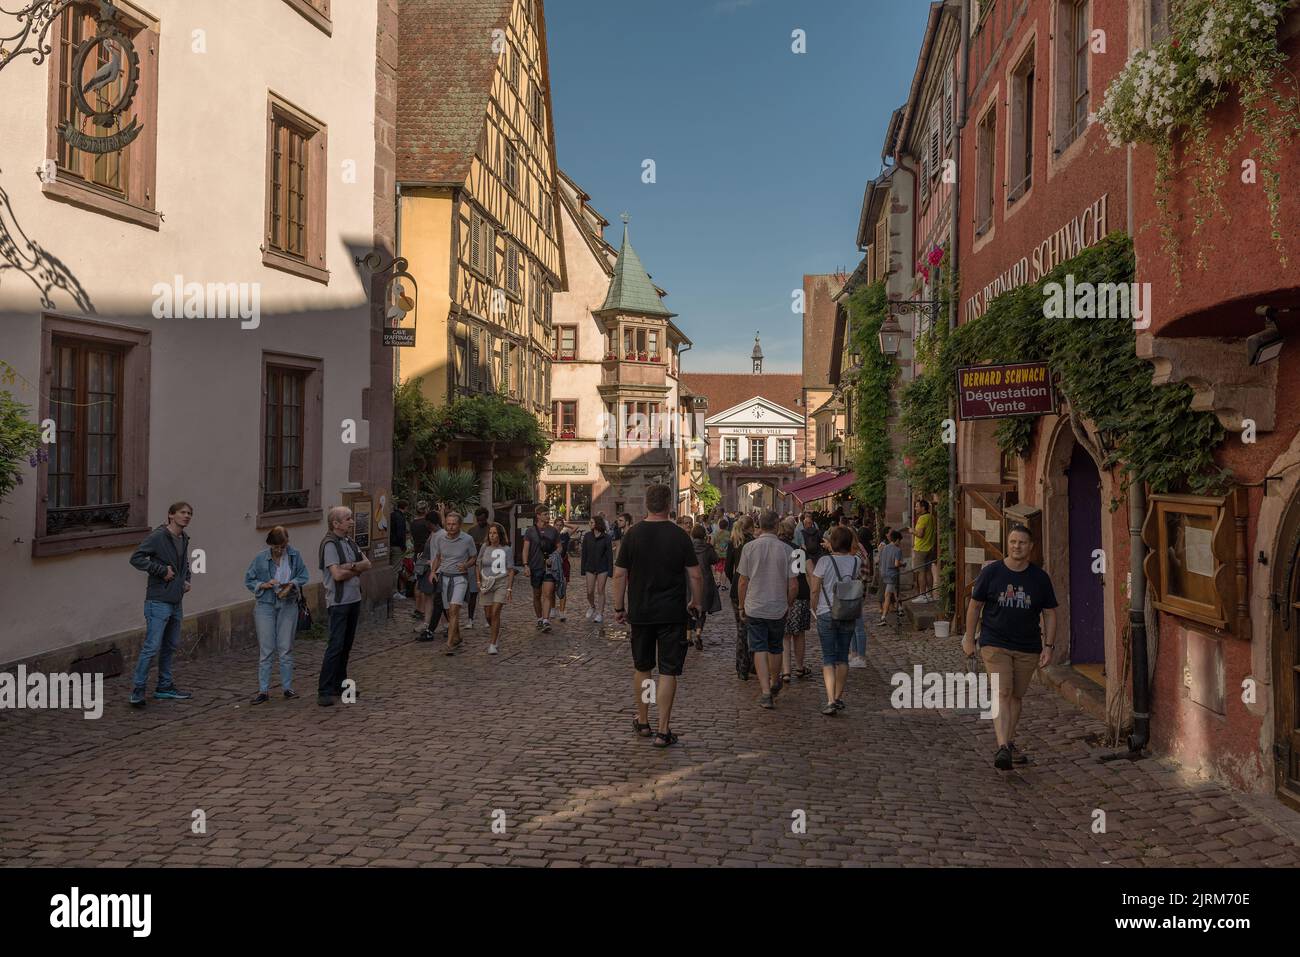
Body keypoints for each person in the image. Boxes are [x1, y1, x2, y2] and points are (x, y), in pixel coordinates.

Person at [613, 483, 703, 748]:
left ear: (646, 505)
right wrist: (696, 601)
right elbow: (695, 574)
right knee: (667, 670)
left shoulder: (632, 535)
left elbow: (619, 574)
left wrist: (619, 607)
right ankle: (663, 730)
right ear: (669, 505)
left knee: (643, 668)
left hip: (641, 612)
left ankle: (643, 720)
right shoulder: (679, 536)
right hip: (672, 612)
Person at [962, 525, 1058, 771]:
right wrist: (968, 637)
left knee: (1016, 696)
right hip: (995, 643)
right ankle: (1002, 746)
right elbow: (975, 606)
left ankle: (1010, 741)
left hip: (1028, 646)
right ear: (1008, 543)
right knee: (1002, 693)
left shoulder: (1039, 578)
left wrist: (1048, 645)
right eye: (1013, 541)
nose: (1017, 546)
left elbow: (1049, 613)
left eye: (1022, 543)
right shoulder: (992, 573)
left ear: (1031, 547)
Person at [127, 501, 196, 707]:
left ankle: (164, 687)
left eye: (190, 514)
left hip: (176, 601)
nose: (187, 516)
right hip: (158, 601)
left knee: (170, 645)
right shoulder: (158, 536)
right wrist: (161, 570)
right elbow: (136, 558)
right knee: (151, 647)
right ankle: (137, 690)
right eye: (183, 513)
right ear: (171, 515)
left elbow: (184, 564)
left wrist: (186, 579)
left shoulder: (183, 538)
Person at [737, 510, 798, 709]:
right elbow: (794, 585)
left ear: (759, 526)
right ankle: (774, 679)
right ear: (777, 526)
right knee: (775, 646)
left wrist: (741, 604)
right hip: (777, 606)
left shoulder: (749, 548)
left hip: (755, 606)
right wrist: (788, 604)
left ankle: (765, 691)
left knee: (759, 648)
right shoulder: (789, 550)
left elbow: (743, 582)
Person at [243, 525, 309, 704]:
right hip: (266, 604)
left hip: (288, 604)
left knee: (285, 647)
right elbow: (249, 579)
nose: (280, 550)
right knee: (266, 649)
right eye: (276, 547)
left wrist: (292, 583)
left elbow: (304, 575)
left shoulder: (294, 556)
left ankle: (287, 688)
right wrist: (263, 585)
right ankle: (263, 690)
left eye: (283, 546)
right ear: (270, 544)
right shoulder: (261, 558)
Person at [318, 506, 371, 707]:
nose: (352, 521)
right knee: (335, 645)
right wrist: (355, 569)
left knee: (346, 646)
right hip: (339, 602)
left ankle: (340, 685)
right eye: (348, 519)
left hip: (353, 599)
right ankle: (324, 689)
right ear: (336, 523)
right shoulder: (330, 544)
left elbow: (367, 563)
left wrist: (351, 567)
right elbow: (337, 575)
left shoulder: (349, 541)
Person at [808, 526, 862, 715]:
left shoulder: (824, 561)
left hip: (826, 612)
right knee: (842, 657)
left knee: (828, 658)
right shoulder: (855, 561)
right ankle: (838, 696)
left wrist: (813, 608)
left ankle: (830, 700)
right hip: (848, 612)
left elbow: (815, 588)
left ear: (833, 542)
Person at [427, 511, 477, 656]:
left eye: (454, 524)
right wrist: (433, 572)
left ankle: (449, 643)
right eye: (448, 524)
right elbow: (438, 557)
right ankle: (457, 637)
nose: (451, 527)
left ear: (460, 525)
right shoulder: (441, 539)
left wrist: (466, 565)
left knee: (454, 609)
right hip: (445, 578)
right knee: (449, 611)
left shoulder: (467, 539)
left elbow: (474, 557)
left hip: (460, 578)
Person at [779, 518, 811, 683]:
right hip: (801, 592)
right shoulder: (798, 550)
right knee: (799, 634)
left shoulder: (779, 550)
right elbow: (801, 574)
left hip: (785, 593)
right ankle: (799, 666)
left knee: (785, 635)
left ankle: (786, 671)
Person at [476, 523, 515, 655]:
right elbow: (478, 564)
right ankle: (495, 631)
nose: (492, 536)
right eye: (490, 533)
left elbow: (510, 570)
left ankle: (492, 643)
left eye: (495, 533)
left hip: (501, 583)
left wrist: (509, 588)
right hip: (486, 583)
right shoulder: (484, 547)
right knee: (488, 614)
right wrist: (478, 580)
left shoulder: (506, 549)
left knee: (495, 611)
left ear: (500, 535)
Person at [726, 514, 756, 679]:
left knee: (741, 629)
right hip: (752, 587)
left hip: (737, 589)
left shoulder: (733, 543)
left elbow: (727, 568)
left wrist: (734, 581)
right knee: (754, 629)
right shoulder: (753, 543)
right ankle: (753, 664)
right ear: (751, 527)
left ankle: (742, 667)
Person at [522, 506, 560, 632]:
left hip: (549, 567)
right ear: (538, 516)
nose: (547, 516)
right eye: (545, 514)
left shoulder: (553, 531)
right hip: (535, 566)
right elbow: (525, 549)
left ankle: (546, 620)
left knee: (548, 593)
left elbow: (559, 547)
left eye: (548, 514)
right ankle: (539, 618)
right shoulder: (530, 531)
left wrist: (553, 556)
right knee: (537, 595)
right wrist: (526, 565)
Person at [689, 524, 721, 650]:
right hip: (705, 581)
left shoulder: (688, 547)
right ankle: (698, 633)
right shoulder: (707, 548)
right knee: (701, 610)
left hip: (689, 580)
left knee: (689, 609)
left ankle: (687, 637)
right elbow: (715, 560)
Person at [581, 516, 614, 623]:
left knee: (601, 590)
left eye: (591, 522)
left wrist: (610, 570)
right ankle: (592, 606)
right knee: (589, 591)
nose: (589, 524)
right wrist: (583, 568)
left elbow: (609, 555)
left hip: (602, 567)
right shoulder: (587, 536)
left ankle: (600, 613)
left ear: (597, 523)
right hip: (590, 567)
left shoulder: (606, 537)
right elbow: (584, 553)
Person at [409, 503, 435, 622]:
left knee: (418, 580)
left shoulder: (413, 523)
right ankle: (423, 609)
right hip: (425, 554)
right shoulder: (426, 524)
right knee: (424, 583)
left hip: (417, 553)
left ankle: (418, 608)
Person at [911, 500, 936, 603]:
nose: (915, 508)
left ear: (923, 508)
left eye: (917, 506)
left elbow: (920, 534)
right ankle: (929, 594)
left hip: (921, 548)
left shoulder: (922, 518)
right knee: (928, 571)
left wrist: (912, 531)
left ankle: (922, 595)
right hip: (929, 548)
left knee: (921, 572)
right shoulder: (931, 517)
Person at [878, 530, 904, 625]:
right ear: (897, 540)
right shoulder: (897, 550)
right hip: (892, 574)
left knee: (895, 591)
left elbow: (880, 560)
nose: (900, 543)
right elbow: (896, 563)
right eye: (899, 541)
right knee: (889, 595)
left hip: (883, 573)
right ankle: (884, 617)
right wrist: (903, 564)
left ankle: (900, 609)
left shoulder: (884, 548)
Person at [389, 499, 409, 602]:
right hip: (397, 545)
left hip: (391, 544)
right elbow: (400, 532)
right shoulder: (400, 517)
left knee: (393, 567)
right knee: (396, 569)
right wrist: (402, 545)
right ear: (405, 507)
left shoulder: (392, 515)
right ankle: (394, 591)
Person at [555, 520, 572, 622]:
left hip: (564, 563)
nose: (559, 527)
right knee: (552, 588)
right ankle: (552, 609)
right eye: (557, 525)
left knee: (563, 587)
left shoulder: (565, 535)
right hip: (553, 564)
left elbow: (575, 528)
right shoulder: (550, 535)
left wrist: (565, 524)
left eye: (560, 525)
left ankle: (561, 611)